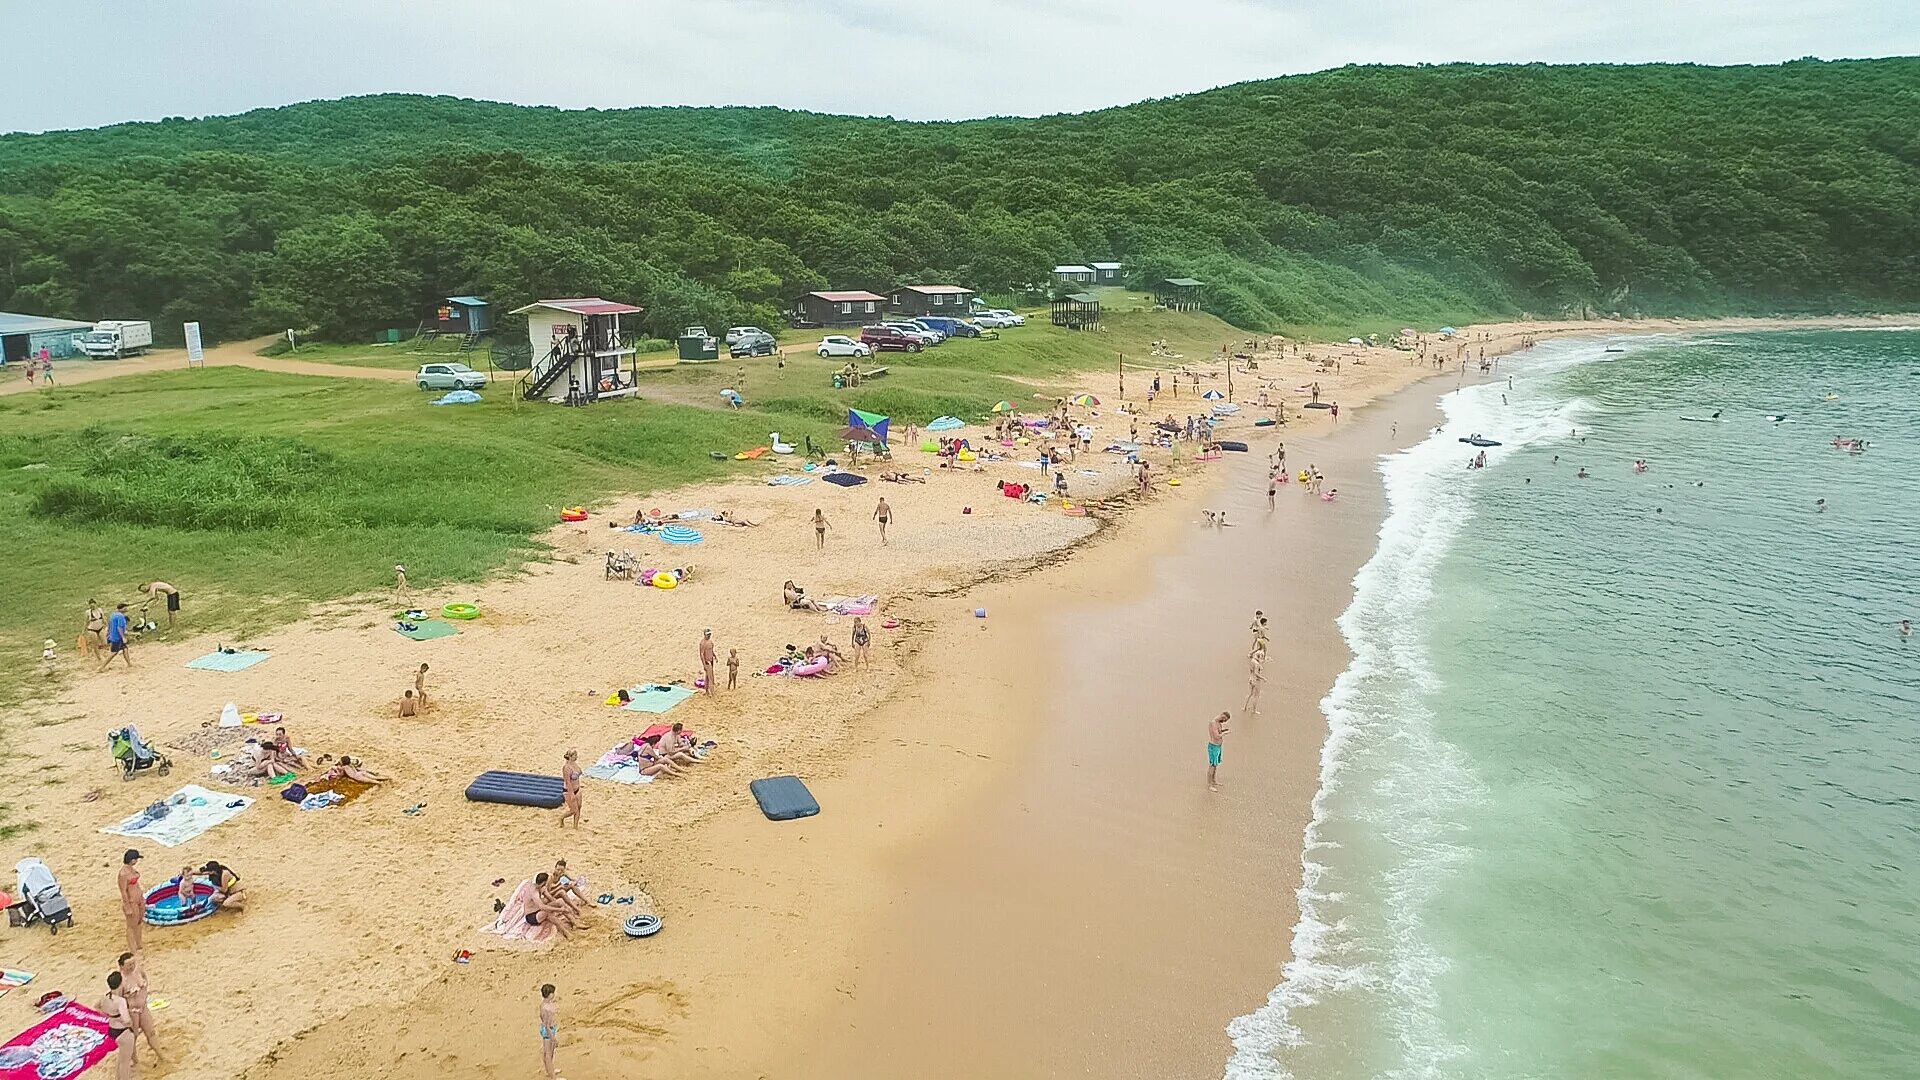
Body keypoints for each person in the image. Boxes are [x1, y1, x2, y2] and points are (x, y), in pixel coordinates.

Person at [116, 951, 164, 1063]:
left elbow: (145, 978)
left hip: (143, 1007)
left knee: (151, 1032)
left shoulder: (138, 970)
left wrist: (144, 990)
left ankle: (161, 1056)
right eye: (129, 965)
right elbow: (117, 1001)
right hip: (131, 1012)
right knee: (133, 1037)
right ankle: (135, 1060)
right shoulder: (120, 981)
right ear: (122, 966)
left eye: (133, 964)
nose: (132, 967)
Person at [99, 971, 136, 1080]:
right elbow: (127, 1020)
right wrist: (128, 1020)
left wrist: (111, 1016)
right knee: (125, 1063)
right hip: (123, 1031)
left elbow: (97, 1006)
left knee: (121, 1059)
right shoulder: (120, 1001)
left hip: (112, 1029)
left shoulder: (105, 996)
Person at [118, 849, 144, 953]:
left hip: (138, 898)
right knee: (131, 925)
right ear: (132, 860)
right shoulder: (123, 874)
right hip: (132, 900)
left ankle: (138, 944)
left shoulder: (131, 870)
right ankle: (132, 947)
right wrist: (127, 906)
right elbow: (123, 891)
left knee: (139, 922)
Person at [100, 602, 133, 671]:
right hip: (117, 637)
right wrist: (123, 637)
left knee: (125, 649)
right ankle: (102, 667)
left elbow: (109, 625)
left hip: (114, 636)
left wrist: (108, 633)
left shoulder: (113, 615)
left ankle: (129, 664)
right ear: (122, 608)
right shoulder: (121, 616)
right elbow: (119, 628)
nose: (127, 608)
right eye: (125, 607)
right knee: (113, 653)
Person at [539, 984, 561, 1080]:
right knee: (548, 1054)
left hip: (549, 1029)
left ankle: (550, 1070)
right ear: (550, 994)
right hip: (549, 1031)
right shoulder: (546, 1008)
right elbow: (547, 1025)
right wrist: (553, 1038)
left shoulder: (544, 1005)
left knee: (548, 1053)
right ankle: (553, 1077)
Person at [559, 750, 583, 828]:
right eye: (575, 756)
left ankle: (575, 826)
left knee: (579, 807)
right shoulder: (566, 768)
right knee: (573, 810)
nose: (576, 757)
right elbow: (568, 782)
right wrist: (571, 794)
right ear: (570, 757)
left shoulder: (575, 764)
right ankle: (561, 818)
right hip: (569, 791)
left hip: (577, 789)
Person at [1208, 711, 1230, 791]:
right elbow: (1216, 736)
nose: (1224, 722)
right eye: (1224, 720)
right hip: (1213, 746)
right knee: (1212, 765)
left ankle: (1213, 780)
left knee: (1215, 765)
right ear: (1223, 717)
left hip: (1218, 746)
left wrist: (1223, 731)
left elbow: (1219, 732)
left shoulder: (1218, 723)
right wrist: (1225, 734)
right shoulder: (1213, 723)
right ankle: (1209, 784)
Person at [1245, 650, 1267, 716]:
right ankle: (1254, 710)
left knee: (1250, 694)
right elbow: (1256, 673)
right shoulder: (1257, 664)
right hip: (1256, 680)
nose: (1262, 658)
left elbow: (1252, 670)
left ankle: (1245, 707)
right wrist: (1263, 678)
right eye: (1261, 656)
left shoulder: (1252, 661)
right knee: (1256, 696)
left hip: (1251, 679)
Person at [699, 629, 717, 695]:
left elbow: (711, 650)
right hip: (707, 661)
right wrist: (704, 664)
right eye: (707, 635)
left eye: (709, 634)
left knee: (707, 676)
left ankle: (707, 690)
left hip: (711, 660)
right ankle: (712, 692)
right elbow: (701, 654)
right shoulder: (702, 643)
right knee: (711, 677)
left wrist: (715, 656)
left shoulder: (710, 642)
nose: (709, 636)